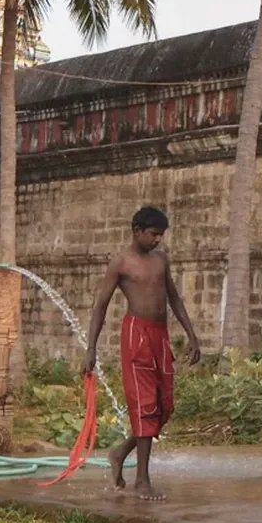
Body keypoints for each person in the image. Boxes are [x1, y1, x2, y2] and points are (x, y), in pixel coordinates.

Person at [83, 205, 201, 500]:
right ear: (137, 231)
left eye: (161, 235)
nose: (158, 240)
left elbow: (174, 297)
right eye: (153, 234)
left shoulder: (161, 260)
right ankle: (142, 480)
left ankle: (120, 452)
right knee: (145, 404)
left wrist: (192, 335)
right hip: (136, 334)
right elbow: (100, 306)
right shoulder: (121, 263)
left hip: (160, 335)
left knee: (164, 406)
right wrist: (91, 349)